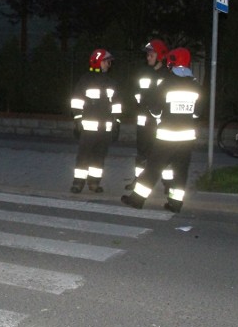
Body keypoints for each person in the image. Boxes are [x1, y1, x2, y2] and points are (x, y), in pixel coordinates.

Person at [121, 47, 201, 213]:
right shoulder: (195, 85)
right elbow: (197, 112)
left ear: (172, 61)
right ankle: (175, 203)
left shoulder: (167, 83)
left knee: (153, 167)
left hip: (168, 135)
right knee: (180, 170)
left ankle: (137, 199)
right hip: (187, 137)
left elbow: (155, 109)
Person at [70, 49, 122, 194]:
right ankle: (78, 184)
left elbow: (116, 104)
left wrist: (116, 122)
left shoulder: (111, 82)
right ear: (98, 62)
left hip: (105, 129)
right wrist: (78, 119)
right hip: (88, 128)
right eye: (107, 61)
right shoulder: (86, 80)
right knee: (83, 157)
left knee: (99, 158)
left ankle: (94, 183)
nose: (109, 64)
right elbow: (76, 101)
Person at [126, 39, 173, 193]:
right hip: (144, 122)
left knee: (164, 155)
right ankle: (138, 180)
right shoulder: (143, 73)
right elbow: (136, 94)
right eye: (147, 55)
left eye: (151, 55)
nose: (148, 58)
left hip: (161, 124)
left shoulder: (168, 75)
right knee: (141, 155)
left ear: (160, 56)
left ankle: (168, 184)